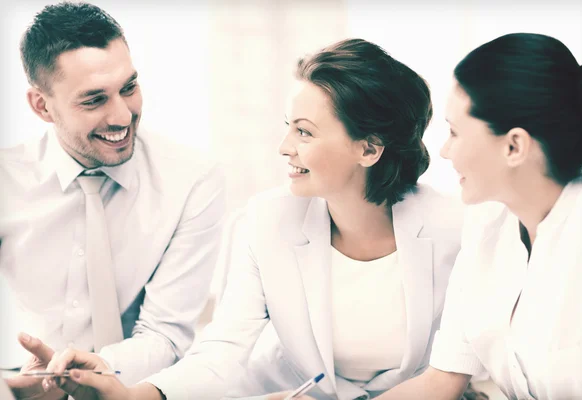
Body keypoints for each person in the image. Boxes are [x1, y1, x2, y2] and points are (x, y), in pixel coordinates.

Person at [28, 38, 465, 400]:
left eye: (305, 132)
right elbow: (224, 350)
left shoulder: (454, 229)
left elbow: (458, 368)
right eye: (289, 126)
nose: (284, 146)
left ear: (369, 149)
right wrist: (131, 393)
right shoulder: (267, 220)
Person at [0, 2, 225, 398]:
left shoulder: (192, 180)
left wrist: (93, 373)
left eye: (129, 88)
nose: (122, 116)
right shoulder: (6, 180)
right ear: (41, 106)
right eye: (94, 100)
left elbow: (166, 335)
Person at [374, 33, 582, 399]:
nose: (444, 151)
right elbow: (441, 382)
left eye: (455, 132)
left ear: (514, 145)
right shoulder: (486, 226)